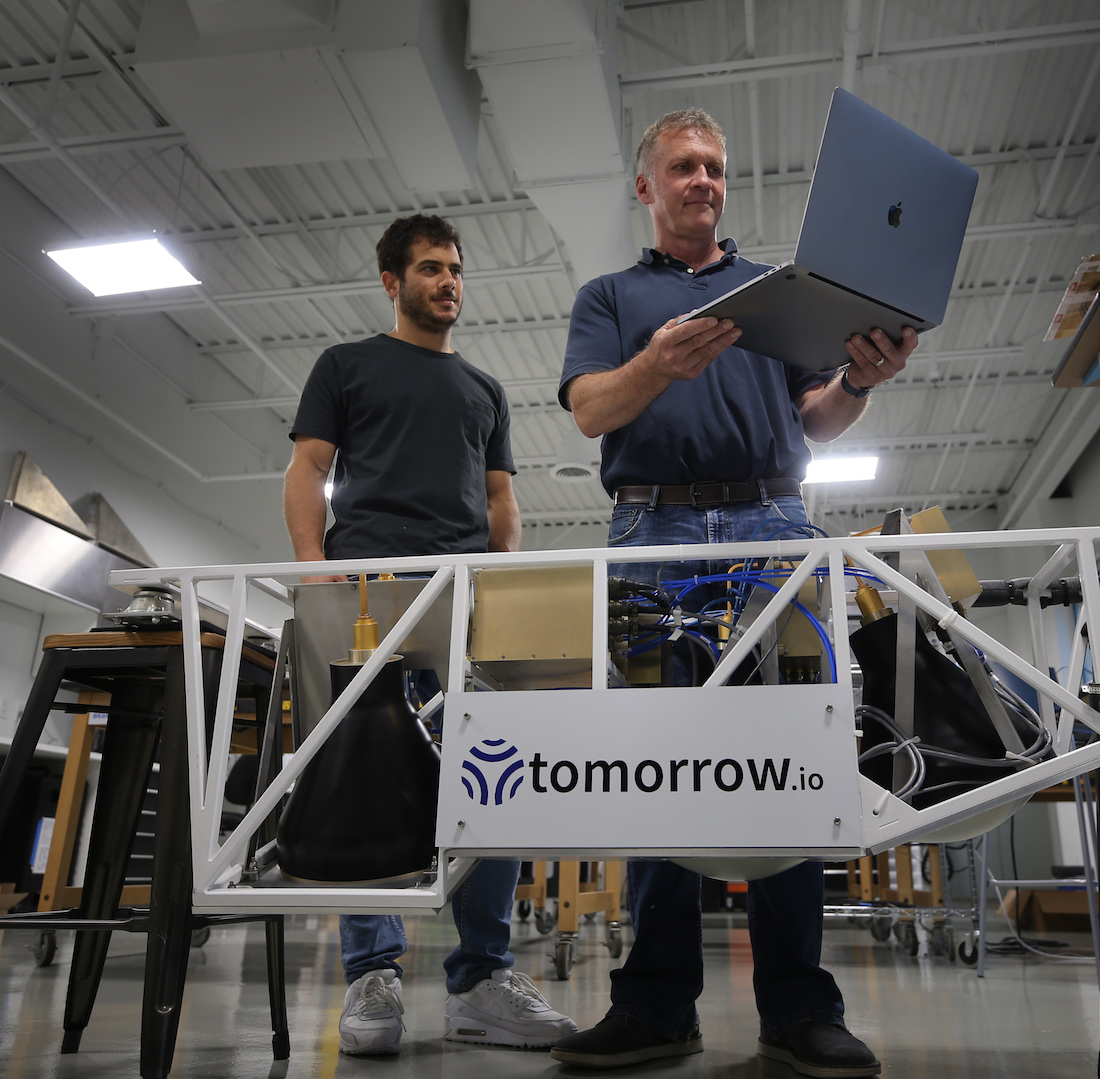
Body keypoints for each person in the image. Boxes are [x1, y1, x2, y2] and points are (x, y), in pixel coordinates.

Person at [549, 109, 915, 1077]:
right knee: (654, 775)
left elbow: (816, 418)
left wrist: (862, 380)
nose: (703, 180)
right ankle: (656, 1004)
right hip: (649, 532)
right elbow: (590, 408)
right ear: (646, 187)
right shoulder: (610, 296)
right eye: (683, 166)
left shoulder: (773, 295)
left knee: (792, 765)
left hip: (772, 525)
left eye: (714, 166)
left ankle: (799, 1005)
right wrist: (652, 364)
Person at [283, 213, 576, 1057]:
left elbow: (499, 503)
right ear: (392, 280)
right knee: (366, 777)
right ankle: (373, 973)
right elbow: (307, 468)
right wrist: (314, 567)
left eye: (455, 269)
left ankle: (482, 978)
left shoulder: (484, 391)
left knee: (494, 776)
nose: (448, 282)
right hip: (366, 596)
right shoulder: (346, 365)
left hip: (466, 600)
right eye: (430, 269)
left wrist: (503, 574)